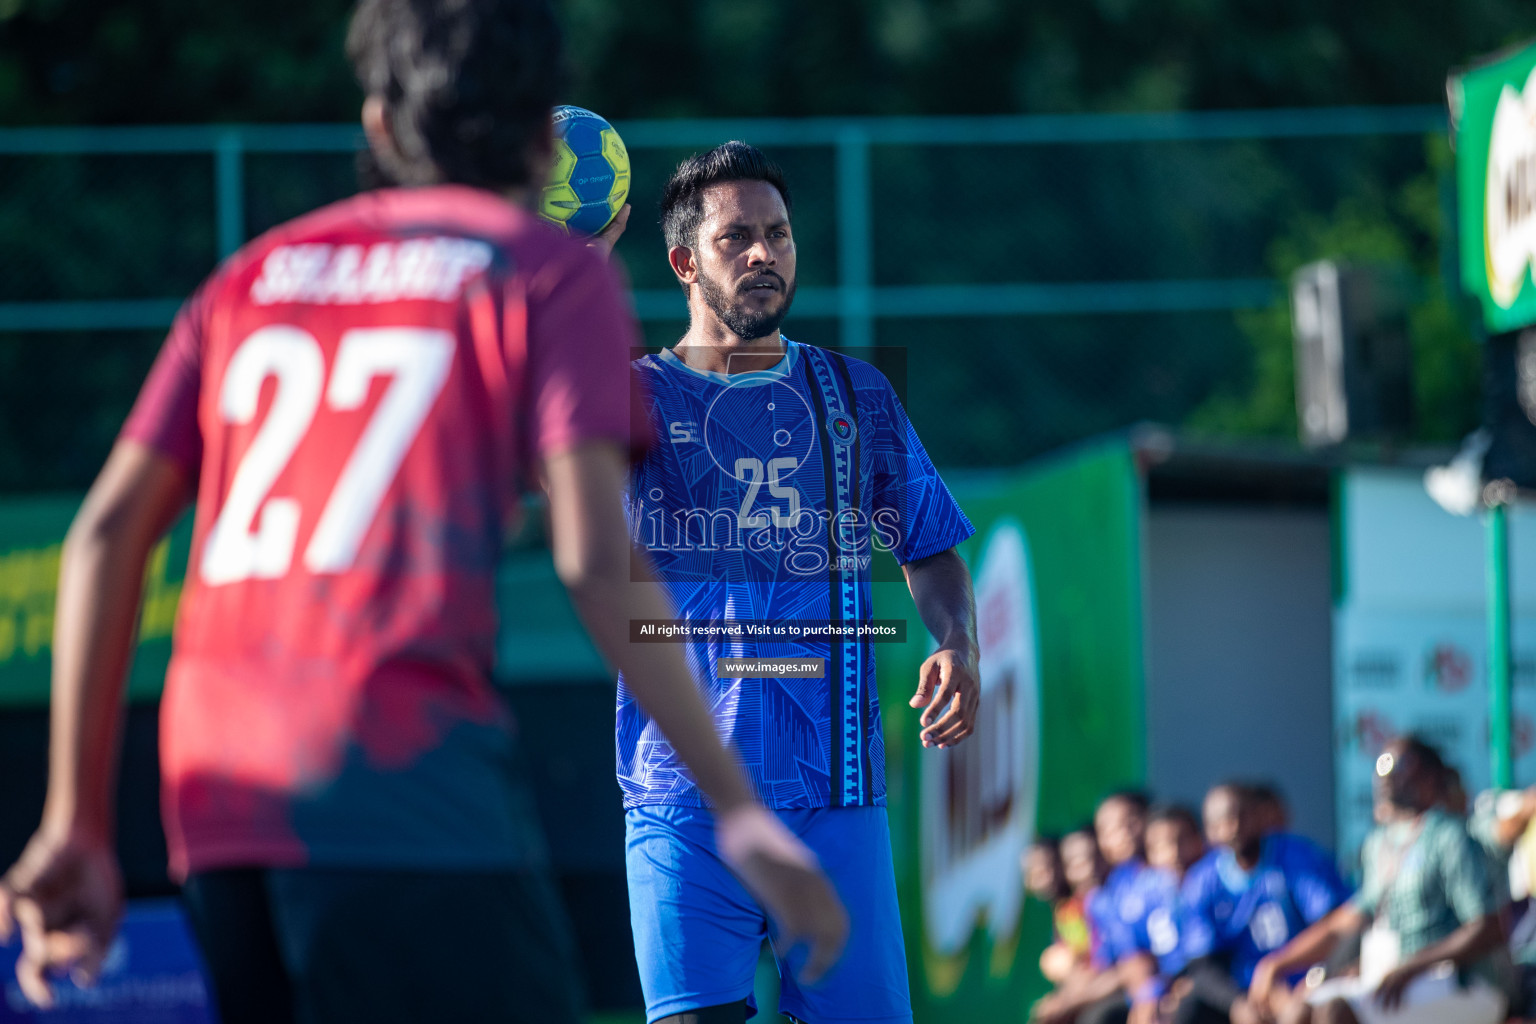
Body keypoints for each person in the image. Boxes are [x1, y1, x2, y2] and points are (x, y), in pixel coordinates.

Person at [0, 4, 847, 1022]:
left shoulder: (251, 276)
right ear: (544, 141)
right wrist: (740, 807)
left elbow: (104, 533)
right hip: (400, 772)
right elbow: (589, 552)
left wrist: (74, 818)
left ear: (378, 125)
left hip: (214, 796)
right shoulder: (549, 274)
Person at [617, 141, 979, 1024]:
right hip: (679, 795)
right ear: (683, 263)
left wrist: (957, 641)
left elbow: (926, 545)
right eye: (736, 237)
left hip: (836, 794)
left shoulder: (857, 395)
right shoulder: (626, 401)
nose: (763, 255)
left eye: (777, 235)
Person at [1249, 737, 1509, 1024]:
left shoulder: (1450, 836)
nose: (1385, 773)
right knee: (1299, 1010)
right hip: (1395, 978)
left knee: (1337, 1011)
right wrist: (1277, 964)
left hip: (1459, 982)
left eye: (1397, 764)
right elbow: (1348, 922)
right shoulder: (1379, 843)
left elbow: (1489, 928)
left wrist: (1412, 967)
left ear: (1430, 775)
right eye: (1381, 763)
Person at [1174, 783, 1350, 1024]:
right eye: (1220, 822)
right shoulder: (1203, 881)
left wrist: (1276, 967)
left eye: (1240, 816)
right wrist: (1238, 1003)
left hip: (1305, 980)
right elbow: (1203, 964)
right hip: (1244, 990)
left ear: (1260, 816)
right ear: (1209, 830)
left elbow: (1337, 926)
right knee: (1189, 1009)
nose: (1232, 828)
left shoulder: (1296, 856)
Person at [1034, 791, 1152, 1024]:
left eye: (1130, 822)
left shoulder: (1160, 880)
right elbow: (1104, 964)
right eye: (1107, 829)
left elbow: (1137, 965)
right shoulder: (1102, 900)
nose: (1123, 834)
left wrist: (1071, 1001)